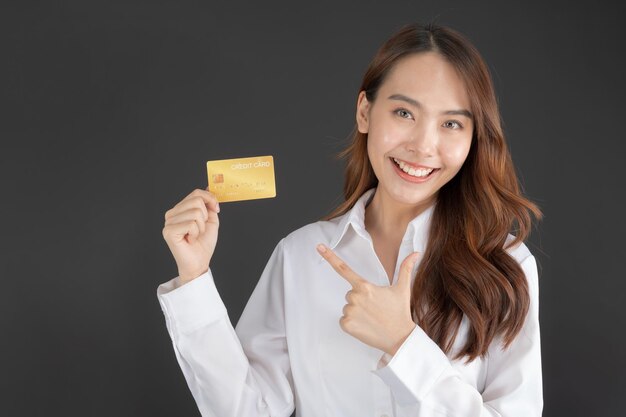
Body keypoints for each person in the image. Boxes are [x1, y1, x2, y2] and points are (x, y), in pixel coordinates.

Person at [157, 22, 543, 417]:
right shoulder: (300, 257)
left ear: (473, 138)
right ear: (365, 112)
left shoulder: (506, 266)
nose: (423, 146)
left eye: (451, 124)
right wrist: (194, 277)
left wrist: (403, 344)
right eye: (404, 112)